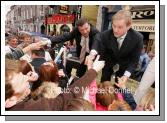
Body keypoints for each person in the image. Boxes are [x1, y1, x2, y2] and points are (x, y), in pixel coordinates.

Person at [5, 55, 105, 111]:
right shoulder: (33, 109)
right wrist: (93, 70)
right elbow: (67, 96)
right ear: (10, 100)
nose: (28, 77)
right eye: (23, 79)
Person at [89, 10, 143, 84]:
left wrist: (126, 75)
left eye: (120, 27)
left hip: (124, 65)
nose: (115, 30)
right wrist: (92, 54)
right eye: (114, 26)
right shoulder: (107, 34)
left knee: (119, 86)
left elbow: (134, 61)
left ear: (129, 26)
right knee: (104, 83)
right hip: (108, 62)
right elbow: (98, 39)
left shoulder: (137, 38)